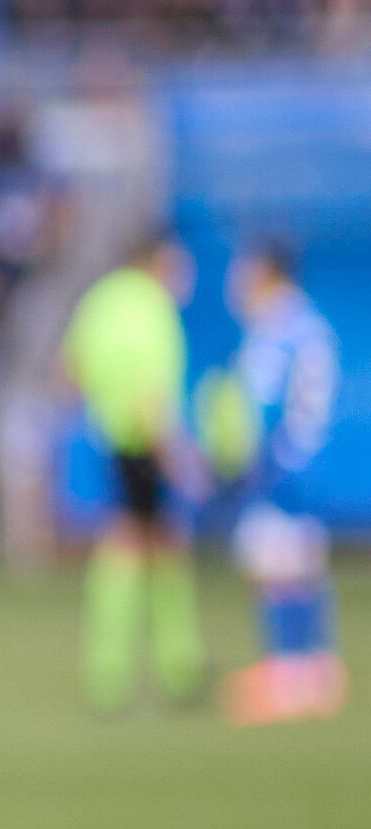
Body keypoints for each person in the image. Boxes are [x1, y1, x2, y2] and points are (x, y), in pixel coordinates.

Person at [64, 233, 200, 710]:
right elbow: (152, 392)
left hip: (108, 436)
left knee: (126, 546)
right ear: (159, 259)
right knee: (157, 547)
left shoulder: (100, 299)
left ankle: (110, 670)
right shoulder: (151, 307)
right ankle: (176, 666)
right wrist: (171, 454)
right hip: (144, 440)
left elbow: (72, 369)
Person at [214, 239, 343, 727]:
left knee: (275, 565)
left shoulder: (276, 328)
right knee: (303, 562)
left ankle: (288, 674)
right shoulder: (310, 324)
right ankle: (316, 671)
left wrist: (239, 458)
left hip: (281, 462)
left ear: (266, 271)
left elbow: (259, 407)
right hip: (310, 458)